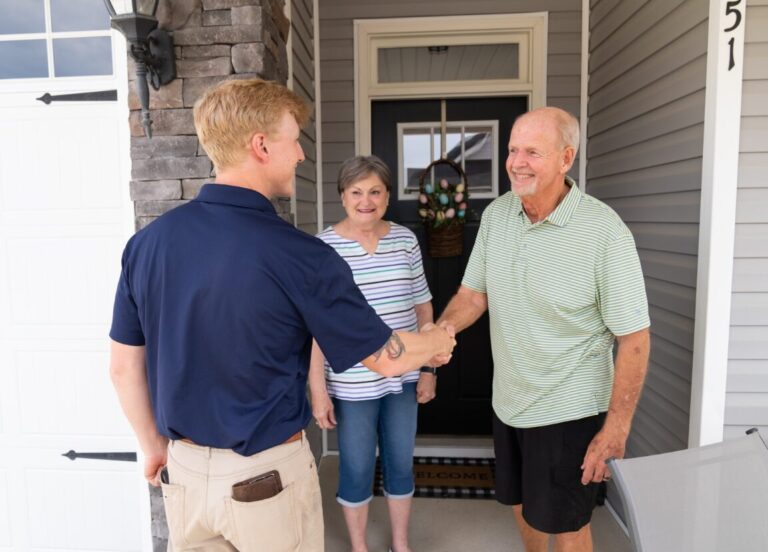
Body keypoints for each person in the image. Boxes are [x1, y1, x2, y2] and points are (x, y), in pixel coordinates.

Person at [108, 79, 455, 552]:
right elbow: (387, 358)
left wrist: (152, 446)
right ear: (261, 145)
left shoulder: (146, 245)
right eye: (294, 140)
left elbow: (123, 366)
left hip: (183, 476)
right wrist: (437, 342)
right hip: (264, 483)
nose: (301, 155)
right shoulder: (301, 255)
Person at [436, 107, 650, 552]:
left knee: (568, 525)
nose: (516, 162)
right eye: (513, 150)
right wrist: (442, 331)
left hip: (568, 409)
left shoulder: (604, 233)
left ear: (565, 158)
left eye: (532, 152)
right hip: (510, 401)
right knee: (521, 504)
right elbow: (475, 294)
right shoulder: (498, 215)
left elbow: (634, 339)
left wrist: (616, 428)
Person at [308, 155, 436, 552]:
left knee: (400, 462)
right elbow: (314, 328)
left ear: (387, 195)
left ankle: (401, 543)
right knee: (357, 466)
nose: (366, 201)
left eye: (375, 191)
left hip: (404, 375)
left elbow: (422, 308)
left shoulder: (405, 240)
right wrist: (318, 389)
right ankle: (360, 546)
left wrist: (430, 368)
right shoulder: (323, 248)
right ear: (343, 197)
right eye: (356, 192)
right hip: (350, 381)